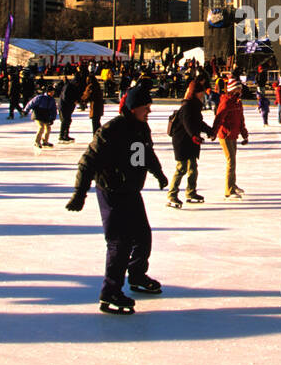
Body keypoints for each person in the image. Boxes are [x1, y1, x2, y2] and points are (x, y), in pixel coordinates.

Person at [65, 85, 168, 315]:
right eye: (146, 107)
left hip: (131, 190)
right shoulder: (111, 130)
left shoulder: (141, 128)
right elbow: (87, 162)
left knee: (143, 236)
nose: (149, 111)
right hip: (111, 192)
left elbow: (146, 154)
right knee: (119, 243)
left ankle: (137, 275)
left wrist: (158, 173)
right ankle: (109, 293)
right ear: (133, 108)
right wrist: (79, 194)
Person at [166, 79, 214, 208]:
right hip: (182, 141)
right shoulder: (187, 107)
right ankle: (172, 195)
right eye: (201, 93)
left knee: (193, 167)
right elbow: (188, 124)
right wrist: (194, 135)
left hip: (191, 141)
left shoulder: (195, 106)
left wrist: (210, 131)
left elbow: (199, 123)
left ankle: (191, 192)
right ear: (195, 93)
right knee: (181, 168)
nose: (203, 95)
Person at [213, 76, 250, 199]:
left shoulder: (238, 103)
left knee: (233, 161)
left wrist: (244, 135)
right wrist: (214, 132)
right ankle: (228, 190)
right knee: (231, 161)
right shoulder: (226, 101)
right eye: (238, 88)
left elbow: (240, 120)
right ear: (233, 89)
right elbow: (219, 117)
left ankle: (232, 185)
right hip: (225, 135)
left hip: (233, 135)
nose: (240, 91)